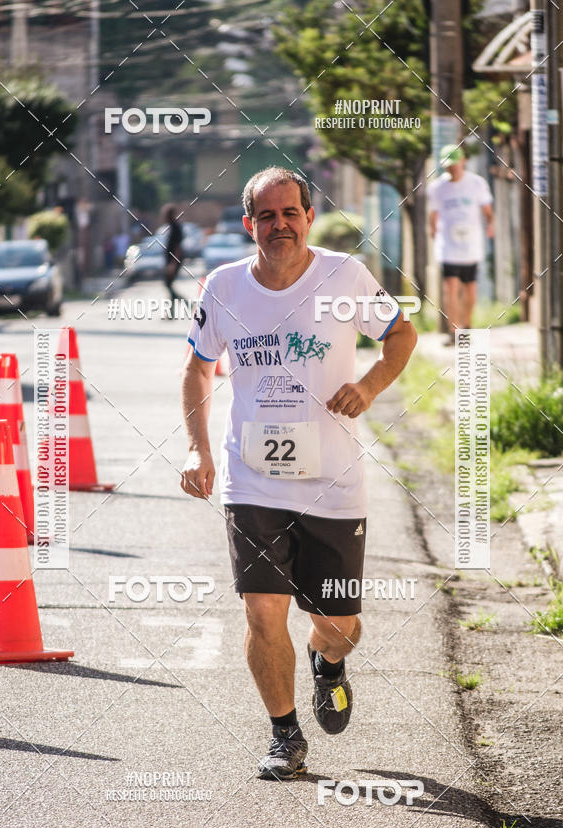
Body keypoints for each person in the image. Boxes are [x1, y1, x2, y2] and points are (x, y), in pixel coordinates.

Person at [180, 167, 417, 780]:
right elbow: (198, 368)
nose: (279, 224)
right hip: (251, 479)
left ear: (309, 217)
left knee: (337, 624)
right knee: (263, 611)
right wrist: (198, 450)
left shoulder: (345, 277)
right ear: (249, 224)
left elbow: (401, 333)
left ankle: (328, 662)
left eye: (290, 213)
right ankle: (284, 734)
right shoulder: (224, 287)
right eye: (267, 215)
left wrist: (369, 386)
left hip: (333, 482)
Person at [428, 144, 494, 344]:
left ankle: (467, 325)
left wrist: (490, 225)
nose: (452, 168)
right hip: (448, 246)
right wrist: (433, 230)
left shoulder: (477, 184)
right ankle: (453, 332)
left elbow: (487, 211)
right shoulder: (437, 188)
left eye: (455, 164)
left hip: (471, 245)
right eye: (448, 165)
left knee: (470, 289)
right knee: (450, 288)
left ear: (463, 161)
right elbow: (433, 213)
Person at [161, 204, 183, 315]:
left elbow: (177, 247)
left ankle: (188, 304)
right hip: (170, 261)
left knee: (168, 285)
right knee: (169, 285)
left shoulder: (176, 227)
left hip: (173, 261)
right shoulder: (171, 227)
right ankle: (171, 313)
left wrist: (173, 264)